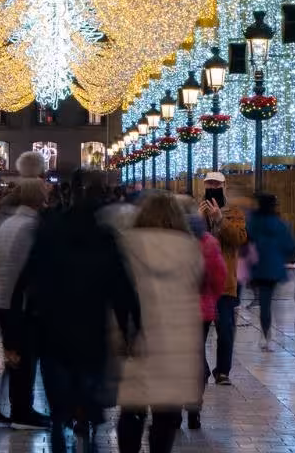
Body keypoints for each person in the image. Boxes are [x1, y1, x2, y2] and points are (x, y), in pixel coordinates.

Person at [17, 168, 139, 453]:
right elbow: (121, 287)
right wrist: (130, 326)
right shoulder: (104, 236)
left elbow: (28, 277)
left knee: (58, 398)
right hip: (91, 329)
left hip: (53, 329)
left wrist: (22, 322)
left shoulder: (48, 229)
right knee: (89, 386)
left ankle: (62, 431)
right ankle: (89, 430)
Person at [116, 194, 203, 453]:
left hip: (137, 338)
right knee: (166, 417)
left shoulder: (125, 245)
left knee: (132, 411)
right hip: (175, 341)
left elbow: (118, 292)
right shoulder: (191, 249)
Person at [0, 177, 50, 430]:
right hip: (17, 301)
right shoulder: (28, 226)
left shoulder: (9, 222)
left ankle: (10, 408)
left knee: (15, 357)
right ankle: (21, 411)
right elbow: (25, 267)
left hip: (2, 297)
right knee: (24, 357)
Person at [184, 202, 226, 431]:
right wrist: (211, 297)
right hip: (202, 311)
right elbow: (219, 277)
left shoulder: (173, 243)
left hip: (176, 309)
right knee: (197, 356)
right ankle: (193, 408)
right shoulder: (209, 242)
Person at [245, 192, 295, 353]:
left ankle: (266, 334)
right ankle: (275, 333)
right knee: (274, 302)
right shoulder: (280, 224)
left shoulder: (253, 223)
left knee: (265, 302)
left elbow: (246, 242)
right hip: (275, 268)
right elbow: (290, 246)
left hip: (259, 267)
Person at [212, 195, 248, 382]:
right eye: (209, 184)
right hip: (201, 283)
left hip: (225, 283)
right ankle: (199, 369)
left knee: (226, 330)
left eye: (216, 185)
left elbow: (239, 239)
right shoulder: (196, 210)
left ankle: (223, 371)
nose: (212, 188)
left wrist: (220, 219)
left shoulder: (234, 214)